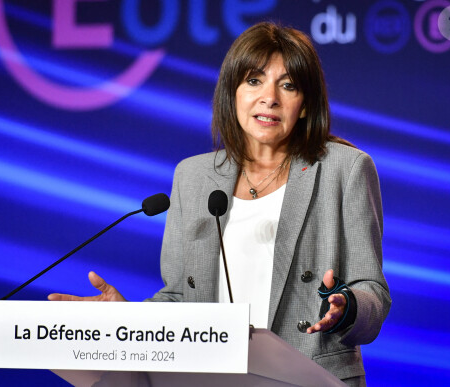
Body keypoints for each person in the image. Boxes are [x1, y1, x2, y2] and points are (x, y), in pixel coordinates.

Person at [49, 22, 391, 386]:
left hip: (310, 376)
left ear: (305, 106)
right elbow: (182, 298)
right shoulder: (193, 176)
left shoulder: (346, 169)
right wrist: (129, 319)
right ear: (233, 93)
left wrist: (347, 306)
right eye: (254, 81)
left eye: (288, 85)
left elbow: (373, 290)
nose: (269, 98)